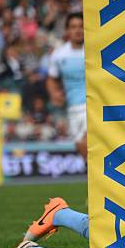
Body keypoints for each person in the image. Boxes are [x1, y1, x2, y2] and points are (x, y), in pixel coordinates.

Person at [46, 12, 87, 158]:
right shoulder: (59, 54)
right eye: (73, 27)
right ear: (67, 31)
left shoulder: (94, 52)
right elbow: (51, 78)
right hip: (73, 108)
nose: (78, 30)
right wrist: (54, 93)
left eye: (81, 26)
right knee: (81, 147)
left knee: (88, 142)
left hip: (93, 106)